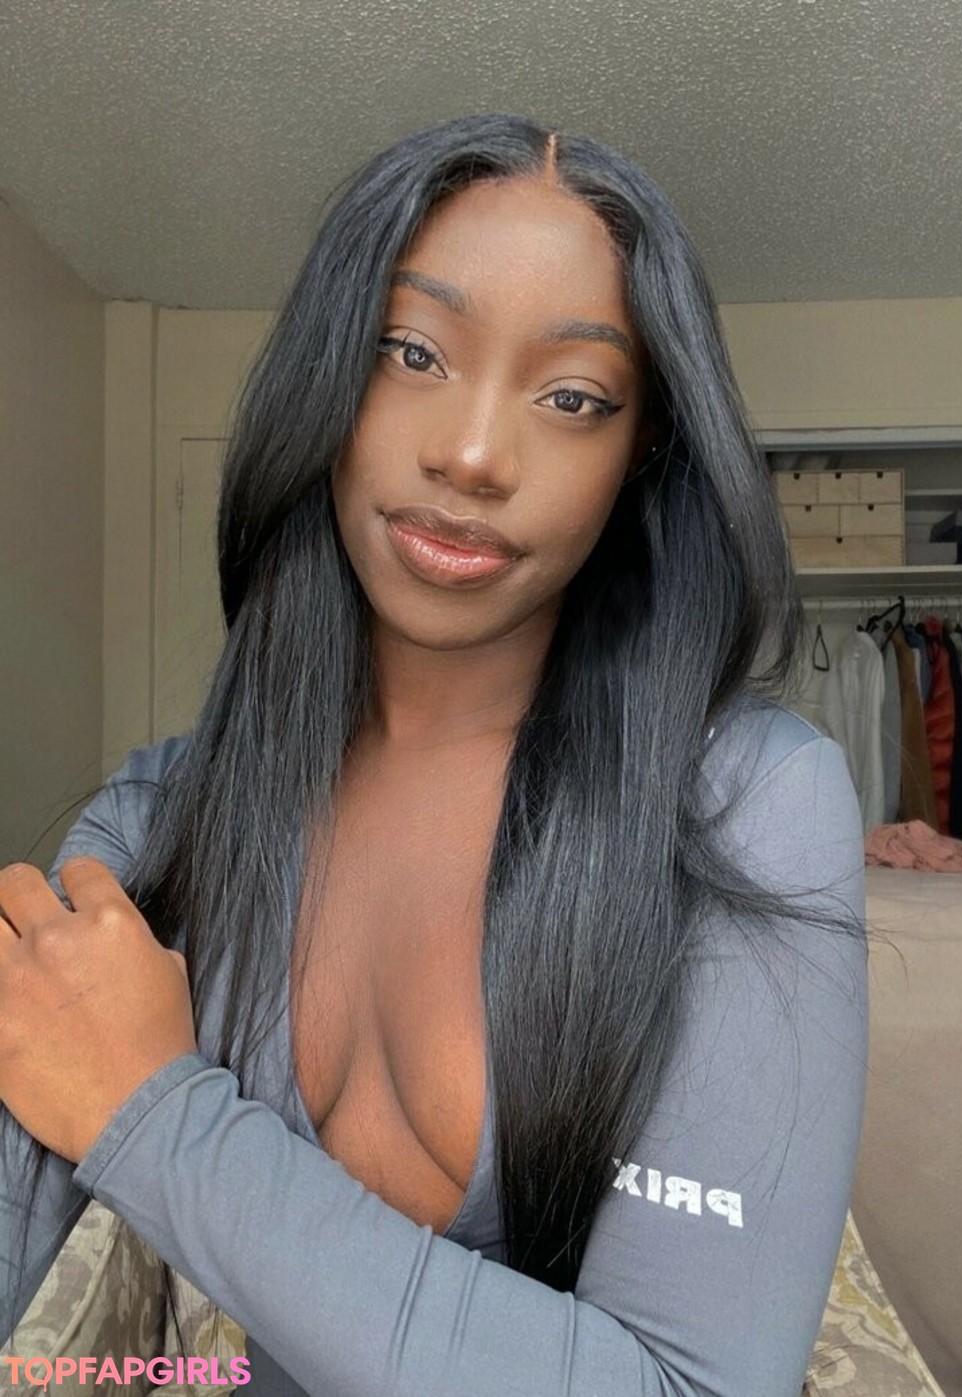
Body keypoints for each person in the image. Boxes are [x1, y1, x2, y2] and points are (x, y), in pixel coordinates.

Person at [0, 114, 867, 1395]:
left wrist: (155, 1113)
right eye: (411, 351)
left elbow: (694, 1384)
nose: (470, 452)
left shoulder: (748, 802)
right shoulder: (160, 817)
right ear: (328, 382)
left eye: (573, 397)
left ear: (638, 455)